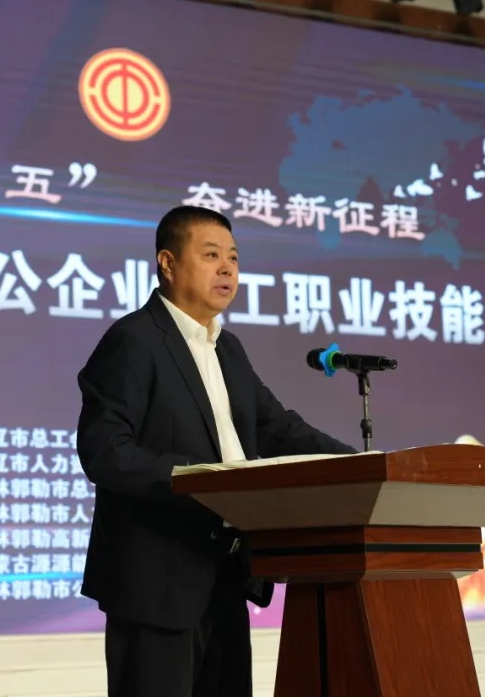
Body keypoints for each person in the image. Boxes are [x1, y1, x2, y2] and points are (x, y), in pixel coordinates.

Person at [76, 205, 357, 697]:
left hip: (226, 574)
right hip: (157, 582)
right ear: (168, 263)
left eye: (233, 257)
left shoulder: (228, 349)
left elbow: (278, 428)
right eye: (211, 255)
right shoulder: (134, 340)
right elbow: (106, 452)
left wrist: (361, 466)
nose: (227, 268)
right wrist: (208, 479)